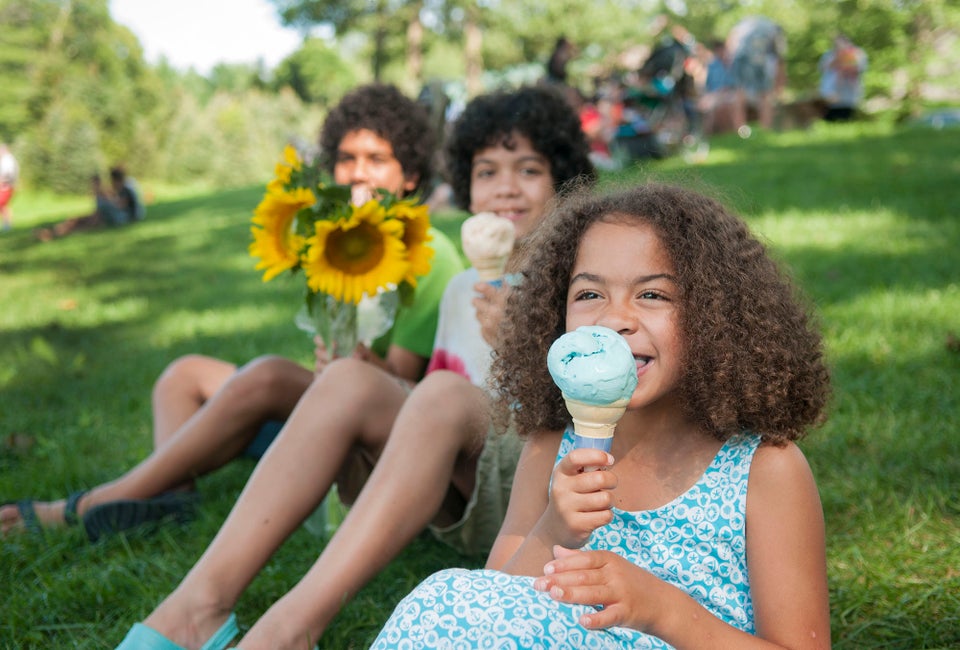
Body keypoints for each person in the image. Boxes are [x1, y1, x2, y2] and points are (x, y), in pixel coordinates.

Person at [110, 85, 596, 649]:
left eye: (528, 169)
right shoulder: (465, 285)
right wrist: (370, 382)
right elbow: (429, 403)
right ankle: (195, 610)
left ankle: (289, 631)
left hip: (543, 505)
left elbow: (603, 409)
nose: (505, 187)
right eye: (487, 171)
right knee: (349, 380)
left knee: (436, 392)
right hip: (463, 487)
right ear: (466, 184)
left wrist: (529, 345)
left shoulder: (585, 278)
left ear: (562, 180)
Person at [372, 182, 833, 648]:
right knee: (444, 594)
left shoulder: (764, 470)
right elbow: (491, 606)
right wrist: (554, 527)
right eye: (590, 294)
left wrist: (661, 609)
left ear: (716, 316)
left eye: (652, 295)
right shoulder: (553, 449)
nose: (615, 319)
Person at [1, 83, 461, 539]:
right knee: (184, 376)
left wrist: (352, 363)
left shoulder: (430, 255)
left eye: (377, 160)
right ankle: (170, 495)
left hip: (383, 432)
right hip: (326, 405)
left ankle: (95, 502)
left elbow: (407, 389)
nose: (358, 174)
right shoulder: (331, 240)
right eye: (347, 158)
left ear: (411, 176)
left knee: (270, 376)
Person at [33, 166, 144, 241]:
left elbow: (121, 205)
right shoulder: (125, 186)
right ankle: (53, 231)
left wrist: (107, 201)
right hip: (116, 216)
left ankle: (54, 234)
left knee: (90, 220)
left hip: (123, 218)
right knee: (77, 219)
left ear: (117, 180)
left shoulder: (127, 189)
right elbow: (117, 202)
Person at [727, 15, 787, 135]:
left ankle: (740, 131)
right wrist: (780, 85)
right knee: (765, 94)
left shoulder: (744, 25)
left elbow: (730, 42)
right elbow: (780, 59)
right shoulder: (774, 29)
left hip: (740, 57)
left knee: (739, 93)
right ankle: (765, 129)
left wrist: (731, 62)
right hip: (758, 59)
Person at [819, 33, 868, 122]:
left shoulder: (857, 53)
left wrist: (847, 58)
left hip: (849, 90)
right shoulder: (829, 54)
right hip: (832, 90)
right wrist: (838, 57)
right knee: (830, 115)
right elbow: (823, 68)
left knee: (847, 114)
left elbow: (860, 68)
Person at [0, 143, 19, 231]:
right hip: (6, 185)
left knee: (2, 204)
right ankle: (7, 225)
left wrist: (2, 181)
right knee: (3, 206)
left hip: (6, 185)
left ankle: (7, 224)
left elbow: (7, 174)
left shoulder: (8, 160)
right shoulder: (6, 159)